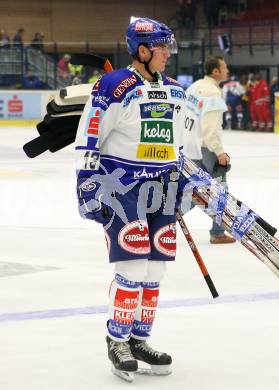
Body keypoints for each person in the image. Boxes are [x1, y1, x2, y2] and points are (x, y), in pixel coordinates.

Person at [74, 17, 185, 381]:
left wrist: (182, 179)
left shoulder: (173, 89)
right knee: (133, 267)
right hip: (123, 187)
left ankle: (139, 338)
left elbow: (178, 143)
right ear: (143, 50)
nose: (168, 54)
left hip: (163, 189)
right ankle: (117, 339)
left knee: (155, 269)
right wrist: (87, 182)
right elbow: (91, 134)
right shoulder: (114, 86)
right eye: (162, 47)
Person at [183, 56, 236, 244]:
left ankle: (162, 223)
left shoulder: (194, 86)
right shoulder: (212, 92)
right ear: (215, 71)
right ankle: (218, 232)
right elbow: (210, 128)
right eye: (224, 67)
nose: (227, 70)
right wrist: (219, 151)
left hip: (190, 147)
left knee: (194, 191)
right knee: (220, 190)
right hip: (206, 149)